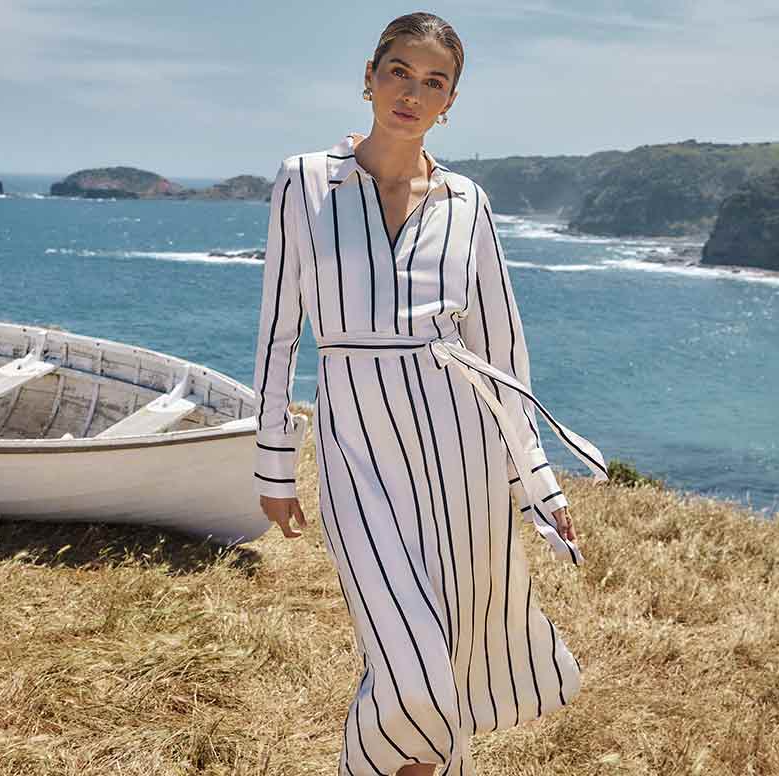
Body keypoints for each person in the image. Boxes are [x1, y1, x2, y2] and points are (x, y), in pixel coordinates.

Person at [250, 12, 610, 776]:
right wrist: (274, 464)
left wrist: (535, 482)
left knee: (450, 655)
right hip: (357, 452)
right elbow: (278, 333)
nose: (411, 93)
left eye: (433, 82)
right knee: (407, 663)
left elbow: (501, 348)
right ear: (370, 76)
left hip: (462, 455)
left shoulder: (467, 203)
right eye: (399, 72)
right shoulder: (304, 181)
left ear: (451, 101)